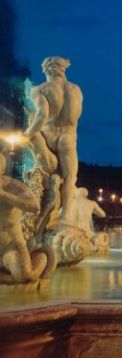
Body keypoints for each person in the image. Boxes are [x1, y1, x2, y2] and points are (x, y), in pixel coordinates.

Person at [24, 56, 83, 225]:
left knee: (42, 175)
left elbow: (42, 116)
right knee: (70, 177)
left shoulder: (40, 89)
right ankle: (65, 218)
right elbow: (75, 117)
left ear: (47, 70)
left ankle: (37, 216)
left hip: (47, 137)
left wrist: (26, 135)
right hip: (68, 137)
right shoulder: (76, 90)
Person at [0, 150, 48, 283]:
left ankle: (40, 258)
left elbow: (35, 206)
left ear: (2, 169)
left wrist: (4, 195)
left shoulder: (13, 186)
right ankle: (8, 278)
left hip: (11, 245)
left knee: (25, 276)